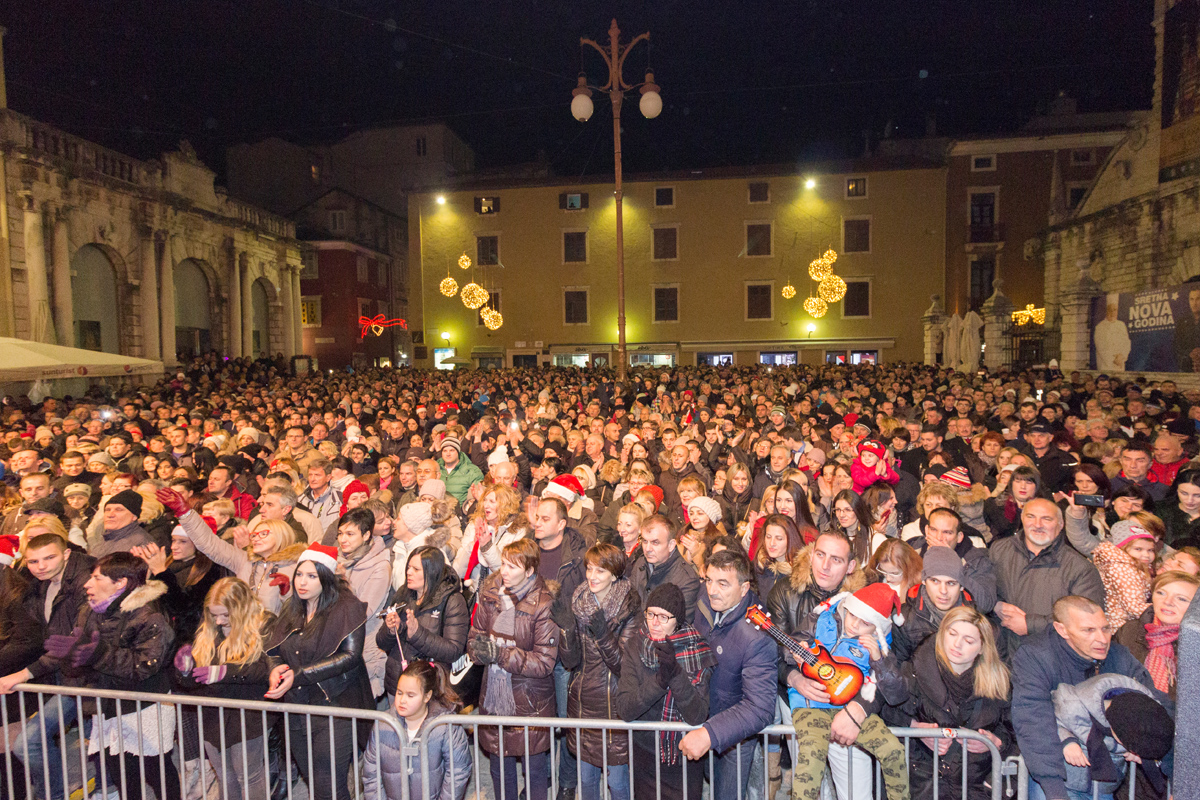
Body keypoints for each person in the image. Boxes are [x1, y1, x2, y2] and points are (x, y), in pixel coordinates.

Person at [1011, 596, 1163, 800]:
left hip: (1105, 780)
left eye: (1106, 628)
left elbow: (1153, 707)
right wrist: (1054, 789)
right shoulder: (1036, 656)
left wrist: (1146, 748)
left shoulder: (1119, 657)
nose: (1102, 639)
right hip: (1058, 777)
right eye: (1088, 630)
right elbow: (1033, 719)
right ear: (1062, 629)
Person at [55, 552, 180, 800]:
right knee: (122, 775)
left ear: (120, 582)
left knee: (157, 772)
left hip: (145, 706)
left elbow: (143, 666)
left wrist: (97, 654)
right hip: (110, 705)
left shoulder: (150, 614)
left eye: (96, 577)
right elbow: (82, 658)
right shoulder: (91, 611)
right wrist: (71, 658)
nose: (87, 584)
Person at [264, 542, 374, 800]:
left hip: (333, 704)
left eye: (311, 576)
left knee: (329, 787)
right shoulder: (294, 608)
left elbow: (350, 656)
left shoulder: (347, 606)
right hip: (297, 706)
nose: (302, 582)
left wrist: (298, 674)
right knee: (314, 782)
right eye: (300, 574)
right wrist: (274, 669)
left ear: (326, 577)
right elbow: (274, 650)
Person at [786, 581, 909, 800]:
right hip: (811, 705)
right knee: (810, 764)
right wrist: (795, 654)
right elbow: (787, 649)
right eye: (852, 616)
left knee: (893, 751)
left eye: (865, 624)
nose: (854, 625)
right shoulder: (819, 619)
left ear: (877, 628)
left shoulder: (881, 646)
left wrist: (879, 661)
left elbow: (897, 694)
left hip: (851, 711)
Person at [0, 533, 94, 800]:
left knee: (27, 743)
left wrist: (22, 672)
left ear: (65, 554)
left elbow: (51, 641)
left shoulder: (81, 584)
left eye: (48, 558)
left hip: (80, 677)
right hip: (56, 675)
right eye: (33, 561)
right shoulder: (40, 586)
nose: (40, 566)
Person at [682, 549, 776, 800]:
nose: (712, 590)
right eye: (709, 580)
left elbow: (761, 707)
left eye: (723, 583)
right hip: (702, 719)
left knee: (727, 793)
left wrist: (711, 733)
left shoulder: (758, 636)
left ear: (744, 589)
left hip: (734, 737)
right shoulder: (707, 600)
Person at [468, 538, 557, 800]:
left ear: (529, 571)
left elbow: (544, 662)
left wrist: (500, 654)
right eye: (504, 564)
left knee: (535, 771)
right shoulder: (491, 593)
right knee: (499, 768)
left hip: (530, 701)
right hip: (495, 696)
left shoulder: (543, 603)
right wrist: (480, 652)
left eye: (512, 567)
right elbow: (474, 638)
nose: (504, 571)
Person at [173, 576, 275, 800]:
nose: (218, 621)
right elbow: (198, 680)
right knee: (224, 775)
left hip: (247, 714)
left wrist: (225, 672)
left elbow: (265, 670)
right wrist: (184, 672)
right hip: (213, 715)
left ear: (241, 609)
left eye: (225, 615)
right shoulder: (209, 630)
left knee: (248, 775)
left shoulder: (264, 625)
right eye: (214, 614)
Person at [553, 543, 640, 800]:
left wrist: (603, 635)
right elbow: (570, 662)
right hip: (582, 701)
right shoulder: (580, 601)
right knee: (587, 781)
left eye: (600, 571)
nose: (592, 576)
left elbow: (623, 666)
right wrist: (567, 630)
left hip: (614, 706)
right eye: (589, 568)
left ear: (614, 574)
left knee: (618, 783)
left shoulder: (629, 608)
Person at [614, 583, 713, 800]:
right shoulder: (636, 645)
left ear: (677, 621)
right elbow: (625, 708)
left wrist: (676, 675)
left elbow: (697, 714)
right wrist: (659, 682)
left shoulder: (697, 650)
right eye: (650, 614)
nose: (655, 623)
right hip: (645, 755)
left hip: (684, 757)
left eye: (663, 617)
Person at [903, 606, 1012, 800]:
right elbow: (889, 713)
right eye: (952, 634)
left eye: (968, 640)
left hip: (976, 787)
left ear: (981, 648)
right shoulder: (913, 671)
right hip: (924, 784)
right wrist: (916, 729)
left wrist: (996, 743)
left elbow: (1013, 729)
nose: (957, 644)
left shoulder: (999, 682)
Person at [163, 488, 306, 614]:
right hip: (241, 633)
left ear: (281, 536)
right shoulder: (243, 560)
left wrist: (287, 594)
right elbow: (209, 543)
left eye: (263, 534)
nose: (256, 538)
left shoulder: (296, 567)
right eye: (254, 535)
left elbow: (304, 611)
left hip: (272, 637)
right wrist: (186, 513)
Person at [991, 498, 1106, 652]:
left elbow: (1087, 620)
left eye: (1047, 519)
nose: (1038, 525)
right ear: (1022, 520)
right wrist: (995, 604)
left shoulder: (1081, 568)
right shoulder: (999, 550)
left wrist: (1029, 625)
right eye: (1031, 516)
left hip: (1051, 658)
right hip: (1000, 653)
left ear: (1060, 525)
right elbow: (982, 589)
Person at [363, 660, 472, 800]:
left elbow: (458, 772)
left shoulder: (445, 726)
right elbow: (371, 775)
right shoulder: (383, 725)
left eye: (410, 695)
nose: (402, 700)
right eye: (399, 692)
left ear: (427, 696)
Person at [378, 546, 470, 697]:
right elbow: (382, 643)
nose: (408, 572)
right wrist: (390, 629)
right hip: (398, 685)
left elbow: (453, 651)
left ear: (431, 572)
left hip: (429, 690)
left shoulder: (452, 600)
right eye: (408, 567)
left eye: (416, 569)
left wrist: (417, 634)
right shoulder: (403, 593)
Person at [1115, 570, 1198, 700]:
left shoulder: (1195, 642)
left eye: (1181, 598)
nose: (1168, 602)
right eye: (1161, 593)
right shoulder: (1130, 631)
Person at [627, 515, 702, 621]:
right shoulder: (641, 562)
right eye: (644, 541)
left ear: (671, 545)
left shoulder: (687, 580)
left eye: (655, 542)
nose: (647, 549)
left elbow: (680, 625)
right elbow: (629, 604)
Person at [1090, 520, 1155, 630]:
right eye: (1138, 549)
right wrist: (1159, 609)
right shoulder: (1123, 569)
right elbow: (1134, 607)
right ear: (1122, 548)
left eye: (1150, 550)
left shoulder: (1125, 565)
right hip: (1120, 626)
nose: (1146, 555)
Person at [750, 514, 804, 599]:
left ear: (791, 540)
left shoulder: (801, 573)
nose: (772, 543)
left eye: (779, 538)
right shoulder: (759, 565)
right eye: (768, 537)